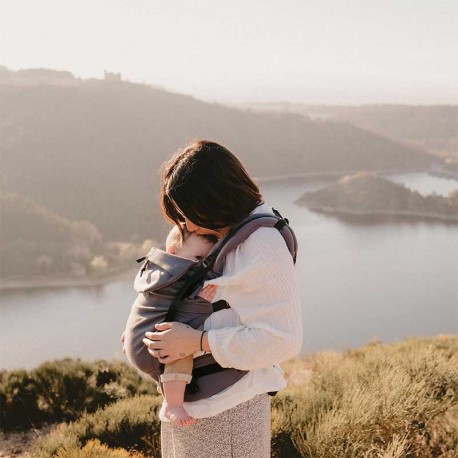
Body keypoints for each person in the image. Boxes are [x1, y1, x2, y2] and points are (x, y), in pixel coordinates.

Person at [140, 140, 302, 457]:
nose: (185, 225)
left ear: (215, 200)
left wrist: (198, 342)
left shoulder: (261, 242)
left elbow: (283, 339)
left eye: (188, 213)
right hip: (200, 408)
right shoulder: (227, 234)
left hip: (227, 413)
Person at [122, 226, 218, 426]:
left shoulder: (158, 270)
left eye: (208, 259)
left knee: (172, 349)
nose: (203, 266)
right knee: (180, 352)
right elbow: (182, 319)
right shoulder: (181, 278)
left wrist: (131, 331)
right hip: (148, 345)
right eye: (199, 258)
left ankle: (166, 392)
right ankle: (173, 404)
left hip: (137, 337)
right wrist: (199, 304)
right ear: (174, 251)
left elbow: (148, 304)